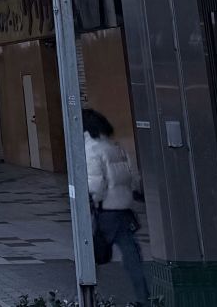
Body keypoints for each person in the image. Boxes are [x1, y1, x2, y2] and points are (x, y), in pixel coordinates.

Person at [84, 109, 150, 307]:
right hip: (123, 210)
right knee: (131, 256)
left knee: (92, 256)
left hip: (105, 212)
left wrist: (90, 200)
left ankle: (87, 297)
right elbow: (132, 178)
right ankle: (144, 298)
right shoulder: (115, 147)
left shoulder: (92, 149)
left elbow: (95, 184)